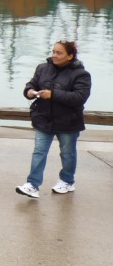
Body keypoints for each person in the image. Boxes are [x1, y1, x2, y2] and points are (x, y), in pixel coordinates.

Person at [16, 40, 91, 198]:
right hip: (43, 118)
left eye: (59, 53)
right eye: (53, 51)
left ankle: (67, 181)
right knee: (39, 152)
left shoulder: (81, 74)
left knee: (67, 153)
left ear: (70, 56)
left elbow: (79, 97)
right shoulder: (43, 68)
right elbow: (31, 83)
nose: (54, 55)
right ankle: (32, 184)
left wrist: (53, 94)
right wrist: (29, 91)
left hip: (68, 122)